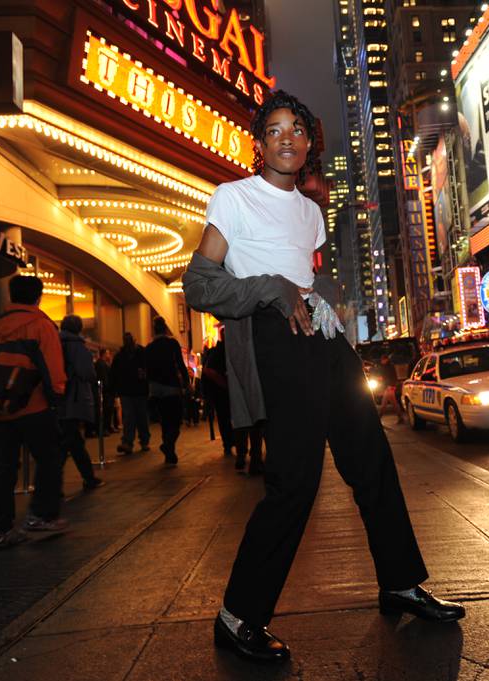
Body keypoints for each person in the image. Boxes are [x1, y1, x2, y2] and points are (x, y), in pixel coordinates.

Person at [184, 91, 463, 665]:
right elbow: (200, 285)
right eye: (275, 129)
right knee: (295, 482)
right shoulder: (233, 198)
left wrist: (321, 302)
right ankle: (238, 615)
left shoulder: (312, 213)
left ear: (309, 144)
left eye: (298, 130)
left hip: (325, 340)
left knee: (371, 459)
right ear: (259, 143)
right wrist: (272, 288)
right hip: (274, 341)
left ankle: (400, 582)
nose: (287, 138)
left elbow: (301, 275)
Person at [0, 275, 69, 550]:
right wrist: (56, 398)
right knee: (49, 458)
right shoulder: (40, 325)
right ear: (39, 296)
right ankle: (41, 515)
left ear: (11, 296)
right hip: (32, 407)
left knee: (2, 467)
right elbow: (53, 368)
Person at [58, 315, 104, 490]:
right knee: (67, 442)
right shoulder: (78, 347)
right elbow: (87, 373)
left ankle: (88, 477)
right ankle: (52, 484)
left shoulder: (53, 342)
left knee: (72, 440)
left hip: (56, 398)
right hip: (73, 398)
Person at [144, 317, 189, 465]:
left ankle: (169, 452)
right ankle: (169, 445)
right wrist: (187, 383)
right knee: (175, 421)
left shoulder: (149, 348)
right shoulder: (172, 344)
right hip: (171, 387)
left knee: (165, 421)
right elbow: (181, 365)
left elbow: (146, 370)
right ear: (165, 329)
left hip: (156, 389)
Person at [111, 332, 150, 455]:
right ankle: (131, 442)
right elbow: (114, 374)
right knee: (132, 417)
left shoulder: (137, 354)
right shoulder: (122, 356)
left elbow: (114, 374)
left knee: (138, 416)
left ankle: (139, 441)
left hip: (136, 390)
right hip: (130, 391)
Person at [201, 331, 236, 458]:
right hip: (223, 391)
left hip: (220, 391)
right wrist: (225, 385)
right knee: (228, 417)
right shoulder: (221, 350)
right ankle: (231, 443)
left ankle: (230, 443)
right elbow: (209, 371)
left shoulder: (218, 350)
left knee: (225, 418)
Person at [376, 354, 404, 424]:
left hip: (389, 387)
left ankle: (378, 419)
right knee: (394, 403)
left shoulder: (389, 367)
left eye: (382, 360)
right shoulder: (386, 366)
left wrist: (390, 385)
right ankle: (400, 417)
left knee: (384, 403)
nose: (381, 361)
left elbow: (392, 377)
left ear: (386, 360)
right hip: (389, 387)